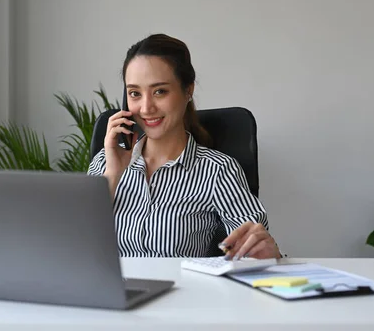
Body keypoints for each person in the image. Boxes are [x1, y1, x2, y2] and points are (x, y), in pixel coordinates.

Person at [88, 33, 282, 259]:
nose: (146, 107)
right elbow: (74, 247)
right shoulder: (105, 162)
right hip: (114, 292)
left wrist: (267, 252)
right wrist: (112, 175)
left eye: (160, 91)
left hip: (183, 292)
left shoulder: (218, 171)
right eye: (135, 93)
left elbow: (255, 251)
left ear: (187, 90)